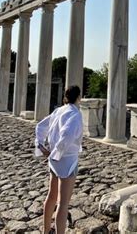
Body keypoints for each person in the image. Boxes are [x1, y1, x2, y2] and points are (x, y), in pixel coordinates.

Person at [35, 85, 83, 234]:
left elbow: (40, 126)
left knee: (51, 196)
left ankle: (46, 231)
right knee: (63, 204)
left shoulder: (58, 110)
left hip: (54, 160)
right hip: (67, 160)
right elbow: (67, 135)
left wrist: (40, 145)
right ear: (79, 97)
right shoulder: (75, 114)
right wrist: (56, 152)